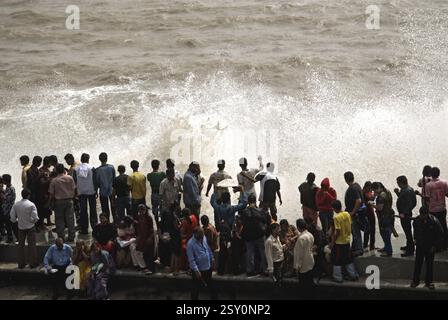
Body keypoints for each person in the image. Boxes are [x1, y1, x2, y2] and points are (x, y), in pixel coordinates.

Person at [411, 207, 444, 290]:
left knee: (429, 265)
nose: (422, 216)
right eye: (421, 214)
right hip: (420, 246)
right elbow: (415, 231)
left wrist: (435, 246)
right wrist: (415, 239)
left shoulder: (434, 221)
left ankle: (429, 282)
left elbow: (440, 234)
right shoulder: (417, 221)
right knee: (418, 264)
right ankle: (415, 281)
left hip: (430, 247)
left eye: (424, 215)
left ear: (427, 214)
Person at [330, 200, 359, 283]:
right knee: (348, 259)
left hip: (339, 243)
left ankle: (338, 277)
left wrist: (332, 242)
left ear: (334, 209)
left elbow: (337, 232)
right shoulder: (347, 214)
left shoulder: (336, 218)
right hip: (347, 241)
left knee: (337, 260)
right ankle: (353, 275)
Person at [239, 194, 268, 276]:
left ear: (248, 202)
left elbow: (242, 222)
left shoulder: (244, 212)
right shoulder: (260, 211)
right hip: (259, 235)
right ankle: (265, 269)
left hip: (248, 236)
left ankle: (249, 270)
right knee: (263, 252)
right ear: (255, 201)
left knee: (249, 253)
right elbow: (265, 221)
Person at [186, 227, 218, 300]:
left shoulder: (203, 238)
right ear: (195, 234)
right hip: (199, 270)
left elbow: (208, 249)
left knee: (211, 286)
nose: (202, 237)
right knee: (195, 289)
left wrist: (212, 258)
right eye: (200, 236)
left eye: (202, 235)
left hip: (208, 267)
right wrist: (196, 270)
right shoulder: (190, 244)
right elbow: (191, 260)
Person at [10, 189, 38, 268]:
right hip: (30, 227)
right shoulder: (31, 205)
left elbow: (12, 217)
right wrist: (32, 221)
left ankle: (21, 263)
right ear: (29, 195)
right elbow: (35, 217)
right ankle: (33, 263)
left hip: (21, 227)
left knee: (20, 246)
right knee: (32, 245)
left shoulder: (16, 204)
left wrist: (16, 221)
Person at [49, 164, 76, 242]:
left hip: (59, 202)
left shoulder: (54, 180)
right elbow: (74, 188)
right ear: (64, 170)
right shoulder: (70, 178)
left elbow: (51, 194)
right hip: (69, 201)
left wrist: (49, 203)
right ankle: (71, 236)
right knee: (70, 219)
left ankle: (61, 237)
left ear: (56, 170)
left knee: (59, 219)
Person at [424, 167, 448, 250]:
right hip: (442, 208)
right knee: (444, 226)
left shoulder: (428, 185)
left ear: (431, 174)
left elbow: (427, 198)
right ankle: (445, 245)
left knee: (434, 229)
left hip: (433, 210)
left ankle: (437, 246)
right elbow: (447, 194)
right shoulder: (444, 182)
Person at [343, 171, 365, 257]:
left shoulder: (352, 188)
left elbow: (358, 200)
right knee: (355, 231)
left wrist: (353, 212)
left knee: (356, 232)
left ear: (345, 179)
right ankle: (355, 247)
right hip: (357, 213)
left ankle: (359, 249)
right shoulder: (357, 185)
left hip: (354, 214)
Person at [75, 153, 97, 234]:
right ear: (88, 159)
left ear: (81, 160)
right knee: (93, 210)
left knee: (83, 211)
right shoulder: (92, 168)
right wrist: (96, 190)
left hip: (81, 193)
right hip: (91, 192)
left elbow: (75, 181)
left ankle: (84, 229)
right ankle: (94, 228)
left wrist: (76, 192)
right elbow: (95, 181)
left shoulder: (76, 169)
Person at [395, 175, 417, 257]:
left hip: (405, 215)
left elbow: (409, 204)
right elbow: (406, 201)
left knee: (407, 232)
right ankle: (409, 245)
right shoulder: (407, 189)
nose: (397, 184)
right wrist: (397, 193)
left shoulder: (406, 191)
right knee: (407, 231)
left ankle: (410, 249)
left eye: (398, 182)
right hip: (406, 213)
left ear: (401, 182)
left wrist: (404, 213)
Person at [371, 182, 395, 257]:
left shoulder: (381, 196)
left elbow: (380, 208)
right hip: (389, 214)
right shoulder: (387, 191)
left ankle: (389, 251)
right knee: (386, 232)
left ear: (377, 188)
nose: (374, 192)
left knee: (385, 233)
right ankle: (386, 247)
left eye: (374, 190)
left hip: (384, 217)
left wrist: (372, 205)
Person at [294, 218, 315, 297]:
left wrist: (297, 267)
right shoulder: (310, 235)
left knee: (303, 285)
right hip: (310, 261)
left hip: (303, 265)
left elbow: (300, 255)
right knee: (310, 283)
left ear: (298, 227)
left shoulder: (301, 239)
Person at [134, 204, 155, 275]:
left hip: (147, 238)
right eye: (140, 210)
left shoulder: (149, 218)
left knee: (148, 254)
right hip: (141, 238)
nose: (141, 211)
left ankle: (149, 269)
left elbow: (152, 230)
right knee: (137, 252)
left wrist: (150, 238)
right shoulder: (139, 217)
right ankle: (143, 267)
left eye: (143, 209)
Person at [96, 152, 116, 223]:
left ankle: (107, 223)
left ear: (99, 159)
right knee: (114, 207)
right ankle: (115, 222)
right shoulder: (111, 167)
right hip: (111, 191)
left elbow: (97, 182)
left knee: (105, 209)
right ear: (107, 158)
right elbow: (114, 179)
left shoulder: (98, 170)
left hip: (103, 192)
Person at [147, 159, 166, 224]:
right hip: (161, 194)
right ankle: (162, 223)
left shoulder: (149, 175)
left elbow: (149, 179)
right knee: (162, 209)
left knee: (154, 210)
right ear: (158, 166)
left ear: (151, 166)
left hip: (153, 194)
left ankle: (156, 223)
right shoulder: (162, 174)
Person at [64, 153, 80, 227]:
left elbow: (73, 182)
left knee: (77, 209)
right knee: (80, 209)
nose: (67, 163)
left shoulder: (72, 169)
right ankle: (81, 224)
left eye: (67, 161)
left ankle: (79, 224)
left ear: (70, 159)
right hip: (81, 190)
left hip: (75, 192)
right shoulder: (78, 163)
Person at [36, 156, 52, 228]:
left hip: (48, 192)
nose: (51, 164)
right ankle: (41, 224)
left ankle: (49, 221)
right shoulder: (41, 171)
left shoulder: (47, 170)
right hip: (43, 193)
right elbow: (41, 183)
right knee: (42, 209)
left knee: (48, 208)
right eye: (50, 163)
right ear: (47, 162)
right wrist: (50, 180)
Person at [2, 174, 17, 243]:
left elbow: (6, 199)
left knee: (12, 225)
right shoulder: (8, 188)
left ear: (5, 181)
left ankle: (16, 238)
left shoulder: (11, 189)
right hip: (6, 210)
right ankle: (10, 238)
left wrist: (2, 195)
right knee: (8, 226)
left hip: (9, 211)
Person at [362, 181, 376, 251]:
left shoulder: (367, 191)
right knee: (370, 229)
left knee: (369, 230)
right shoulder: (364, 192)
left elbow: (371, 199)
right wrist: (375, 194)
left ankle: (368, 244)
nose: (371, 189)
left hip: (369, 212)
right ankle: (370, 245)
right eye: (370, 188)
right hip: (367, 213)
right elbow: (370, 198)